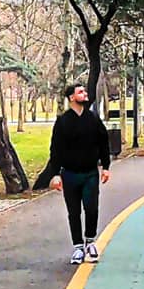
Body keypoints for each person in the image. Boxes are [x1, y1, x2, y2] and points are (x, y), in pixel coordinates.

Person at [32, 84, 112, 264]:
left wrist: (106, 166)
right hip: (69, 174)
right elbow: (55, 149)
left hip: (90, 173)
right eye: (80, 92)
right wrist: (55, 174)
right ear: (71, 97)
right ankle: (78, 247)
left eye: (84, 91)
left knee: (91, 209)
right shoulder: (63, 121)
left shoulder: (93, 119)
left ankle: (90, 242)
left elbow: (103, 143)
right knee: (73, 211)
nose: (85, 94)